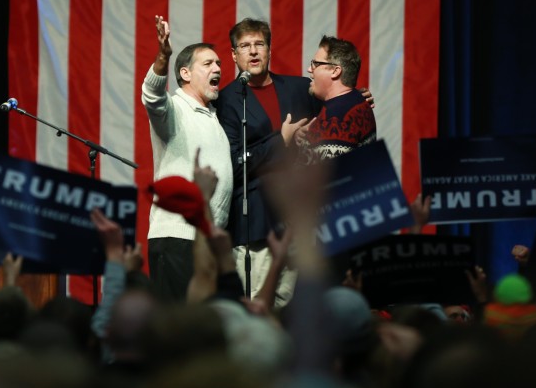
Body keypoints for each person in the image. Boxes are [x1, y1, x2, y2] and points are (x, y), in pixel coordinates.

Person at [216, 19, 322, 306]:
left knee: (293, 313)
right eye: (245, 46)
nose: (253, 52)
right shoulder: (225, 101)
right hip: (256, 225)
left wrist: (355, 100)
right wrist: (282, 140)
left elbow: (334, 112)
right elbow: (233, 166)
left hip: (300, 222)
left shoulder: (301, 89)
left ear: (269, 50)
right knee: (256, 311)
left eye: (259, 44)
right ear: (233, 55)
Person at [142, 15, 232, 303]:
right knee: (177, 327)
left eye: (219, 64)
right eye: (208, 64)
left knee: (202, 327)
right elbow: (152, 97)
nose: (217, 68)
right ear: (185, 73)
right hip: (176, 238)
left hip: (206, 240)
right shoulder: (175, 109)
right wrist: (162, 56)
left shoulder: (214, 117)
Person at [290, 35, 376, 158]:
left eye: (315, 64)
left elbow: (330, 177)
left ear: (335, 71)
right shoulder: (359, 100)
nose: (310, 69)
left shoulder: (333, 120)